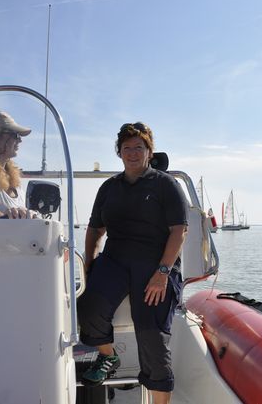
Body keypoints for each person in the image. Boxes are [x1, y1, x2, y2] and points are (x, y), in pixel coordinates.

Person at [77, 122, 188, 404]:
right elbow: (95, 229)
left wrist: (163, 272)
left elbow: (179, 231)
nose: (133, 153)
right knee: (88, 306)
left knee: (152, 339)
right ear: (119, 153)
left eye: (139, 147)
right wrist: (89, 264)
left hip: (155, 263)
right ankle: (108, 356)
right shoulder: (109, 187)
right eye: (127, 148)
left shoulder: (166, 184)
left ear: (149, 151)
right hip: (115, 260)